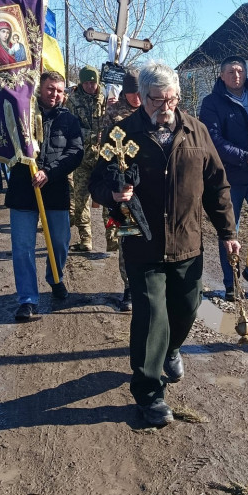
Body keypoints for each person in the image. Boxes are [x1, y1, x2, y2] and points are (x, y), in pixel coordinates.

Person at [90, 61, 239, 426]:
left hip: (187, 239)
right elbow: (97, 182)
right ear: (142, 98)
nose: (166, 106)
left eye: (172, 98)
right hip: (141, 239)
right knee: (151, 315)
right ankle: (149, 393)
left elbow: (217, 185)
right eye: (158, 99)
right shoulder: (121, 134)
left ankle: (171, 348)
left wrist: (228, 233)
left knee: (188, 307)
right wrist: (113, 192)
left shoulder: (196, 131)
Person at [5, 71, 83, 321]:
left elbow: (75, 151)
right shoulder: (21, 114)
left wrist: (49, 172)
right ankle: (27, 299)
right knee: (23, 247)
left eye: (60, 90)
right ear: (40, 88)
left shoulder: (69, 120)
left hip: (55, 189)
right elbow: (3, 141)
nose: (55, 95)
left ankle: (55, 277)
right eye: (51, 89)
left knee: (60, 241)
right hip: (23, 190)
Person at [199, 56, 248, 300]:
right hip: (229, 176)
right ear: (221, 76)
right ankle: (231, 281)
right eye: (231, 71)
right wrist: (246, 157)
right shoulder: (212, 103)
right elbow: (214, 141)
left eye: (240, 71)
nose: (237, 75)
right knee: (229, 230)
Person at [101, 66, 141, 311]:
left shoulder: (152, 109)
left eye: (140, 92)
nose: (137, 98)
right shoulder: (113, 113)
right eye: (132, 93)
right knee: (126, 238)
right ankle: (129, 287)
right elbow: (105, 151)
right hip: (123, 184)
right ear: (125, 92)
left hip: (147, 184)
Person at [66, 65, 106, 253]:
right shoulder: (73, 100)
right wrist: (92, 135)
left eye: (93, 82)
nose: (90, 86)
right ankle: (86, 240)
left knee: (109, 200)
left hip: (104, 158)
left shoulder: (106, 98)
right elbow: (71, 128)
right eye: (86, 82)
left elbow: (113, 123)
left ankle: (113, 241)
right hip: (82, 158)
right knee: (81, 200)